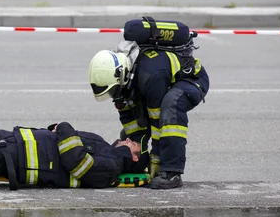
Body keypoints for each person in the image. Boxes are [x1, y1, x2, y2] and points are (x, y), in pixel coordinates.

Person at [87, 17, 210, 189]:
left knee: (171, 106)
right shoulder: (122, 82)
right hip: (154, 86)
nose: (114, 95)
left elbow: (158, 123)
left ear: (121, 75)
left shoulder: (150, 75)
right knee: (133, 130)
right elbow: (132, 125)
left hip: (191, 80)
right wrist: (138, 152)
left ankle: (172, 173)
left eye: (113, 90)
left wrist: (156, 160)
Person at [0, 122, 144, 190]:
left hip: (14, 160)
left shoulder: (111, 167)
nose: (131, 141)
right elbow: (64, 141)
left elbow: (78, 163)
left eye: (135, 146)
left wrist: (64, 128)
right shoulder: (104, 144)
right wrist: (57, 128)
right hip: (12, 141)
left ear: (134, 158)